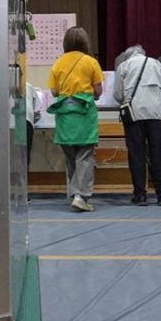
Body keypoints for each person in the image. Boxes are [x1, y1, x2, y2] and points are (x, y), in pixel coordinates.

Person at [46, 26, 104, 212]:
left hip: (65, 116)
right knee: (85, 156)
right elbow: (98, 92)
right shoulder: (91, 62)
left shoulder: (58, 63)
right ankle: (81, 196)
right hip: (84, 115)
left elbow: (54, 91)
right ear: (84, 42)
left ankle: (74, 194)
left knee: (71, 157)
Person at [113, 44, 161, 206]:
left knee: (137, 154)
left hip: (134, 115)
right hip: (156, 114)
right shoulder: (156, 64)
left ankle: (140, 194)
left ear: (127, 56)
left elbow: (117, 94)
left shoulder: (124, 66)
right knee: (158, 154)